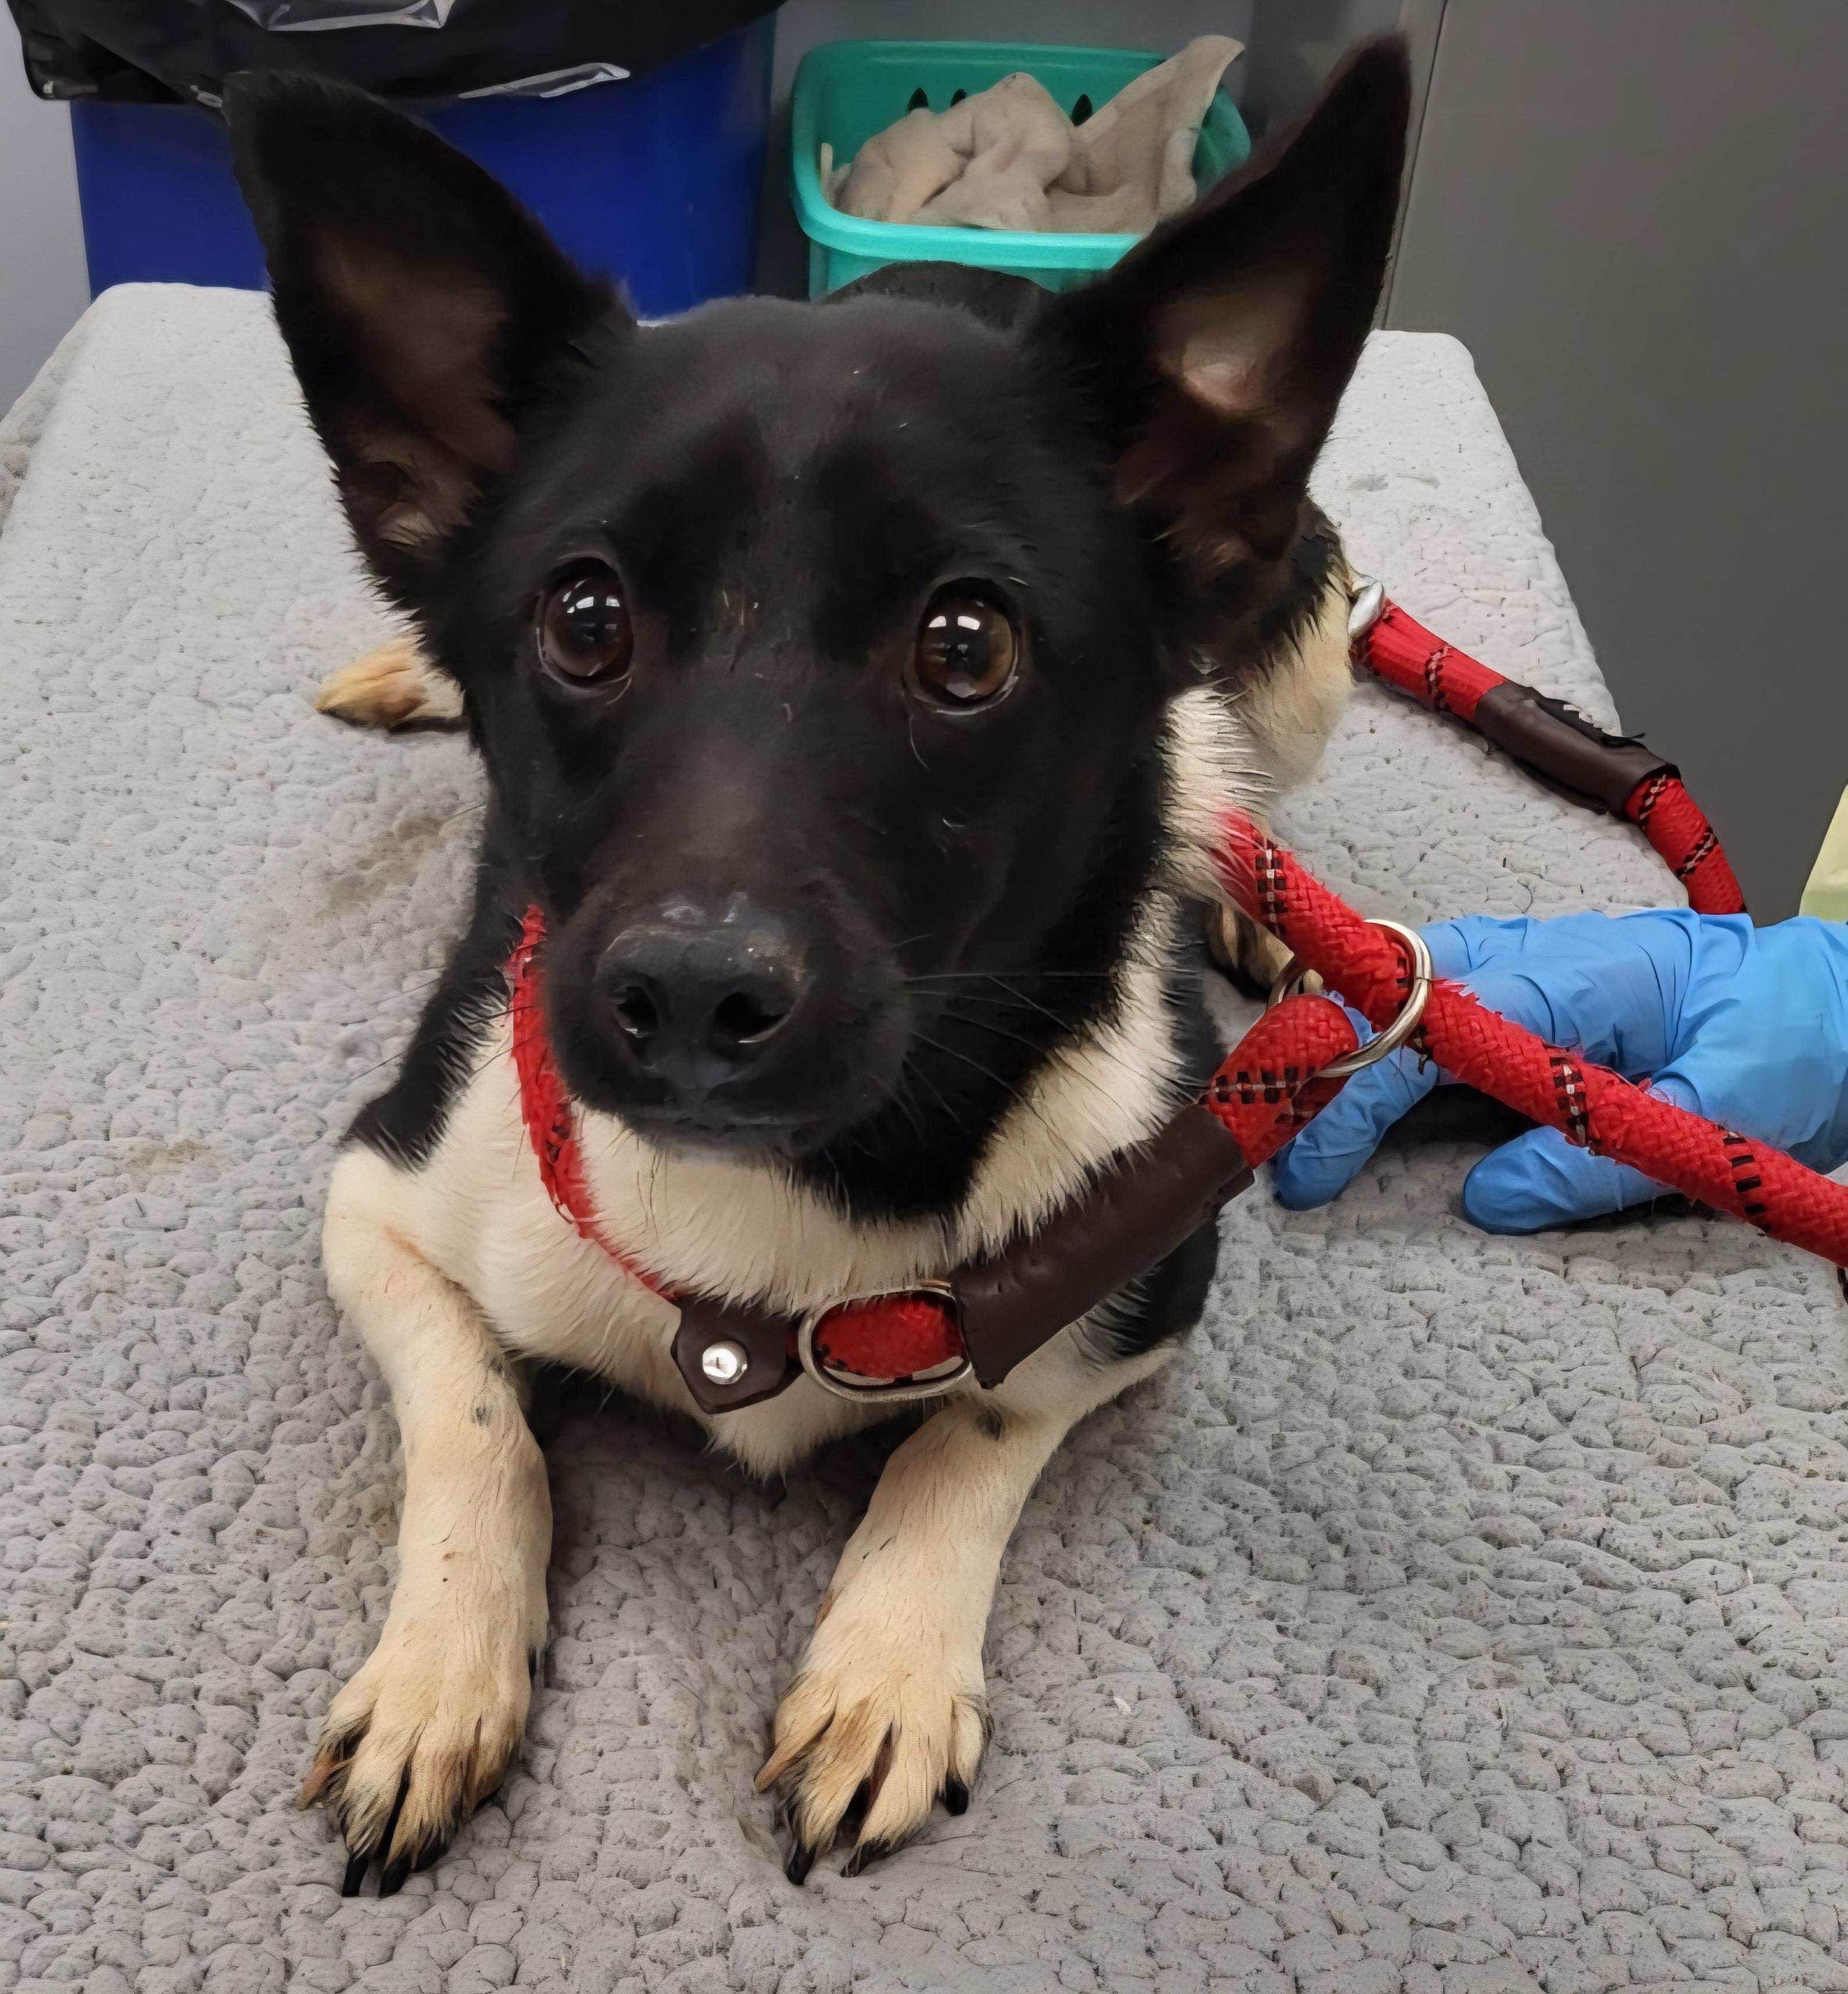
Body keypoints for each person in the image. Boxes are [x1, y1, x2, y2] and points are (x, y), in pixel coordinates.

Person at [1270, 908, 1848, 1229]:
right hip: (1787, 957)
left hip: (1804, 1052)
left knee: (1505, 1190)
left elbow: (1500, 1193)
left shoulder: (1789, 1069)